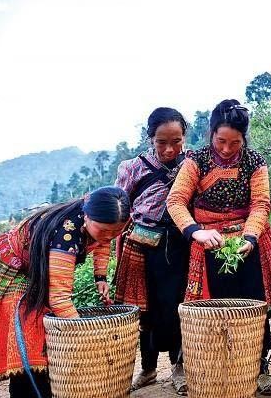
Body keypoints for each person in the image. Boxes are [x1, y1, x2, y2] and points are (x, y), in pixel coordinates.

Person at [167, 99, 271, 396]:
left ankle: (256, 368)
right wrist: (196, 232)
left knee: (253, 304)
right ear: (210, 134)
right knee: (205, 309)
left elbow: (260, 204)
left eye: (235, 142)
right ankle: (206, 368)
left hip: (248, 241)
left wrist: (250, 237)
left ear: (244, 138)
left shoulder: (254, 162)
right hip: (206, 241)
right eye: (221, 141)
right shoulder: (196, 160)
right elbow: (176, 201)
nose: (227, 148)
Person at [0, 186, 129, 398]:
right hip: (13, 269)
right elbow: (59, 298)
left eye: (116, 231)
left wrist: (100, 277)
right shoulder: (66, 236)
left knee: (44, 334)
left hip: (37, 269)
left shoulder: (100, 219)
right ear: (86, 216)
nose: (110, 236)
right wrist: (85, 335)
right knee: (30, 337)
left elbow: (104, 241)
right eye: (104, 230)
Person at [114, 107, 191, 395]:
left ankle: (179, 367)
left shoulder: (191, 164)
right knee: (143, 309)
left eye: (176, 141)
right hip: (141, 246)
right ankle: (147, 369)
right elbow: (120, 207)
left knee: (178, 307)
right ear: (150, 138)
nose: (170, 148)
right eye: (162, 142)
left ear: (184, 137)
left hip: (180, 244)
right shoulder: (131, 168)